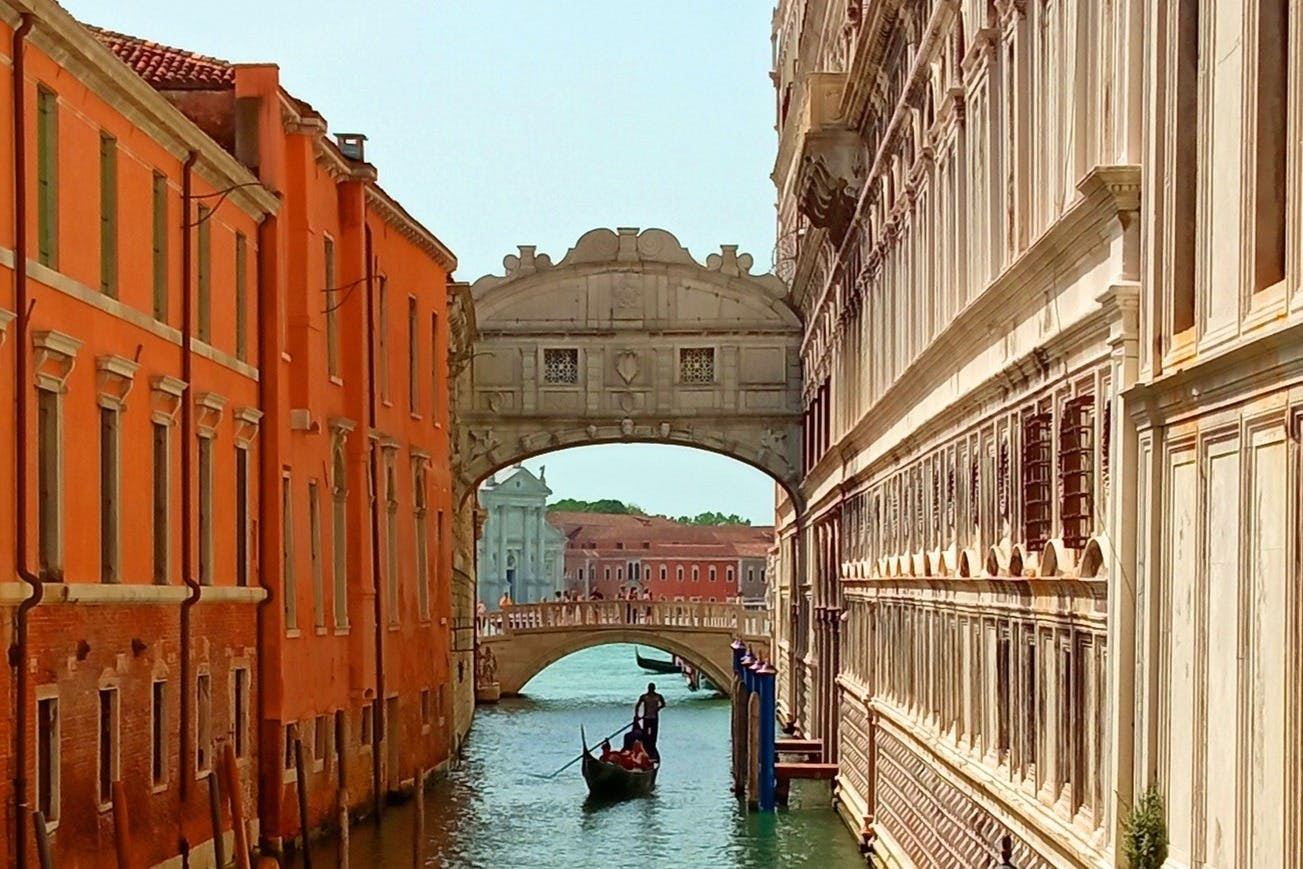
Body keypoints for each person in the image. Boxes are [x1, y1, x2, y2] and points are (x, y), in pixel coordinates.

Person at [634, 682, 666, 758]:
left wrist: (658, 708)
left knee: (654, 734)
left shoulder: (658, 696)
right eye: (649, 688)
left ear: (654, 689)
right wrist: (637, 715)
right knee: (645, 734)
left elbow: (663, 704)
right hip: (646, 718)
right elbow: (638, 705)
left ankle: (652, 749)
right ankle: (646, 748)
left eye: (652, 688)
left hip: (654, 718)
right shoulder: (644, 697)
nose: (650, 690)